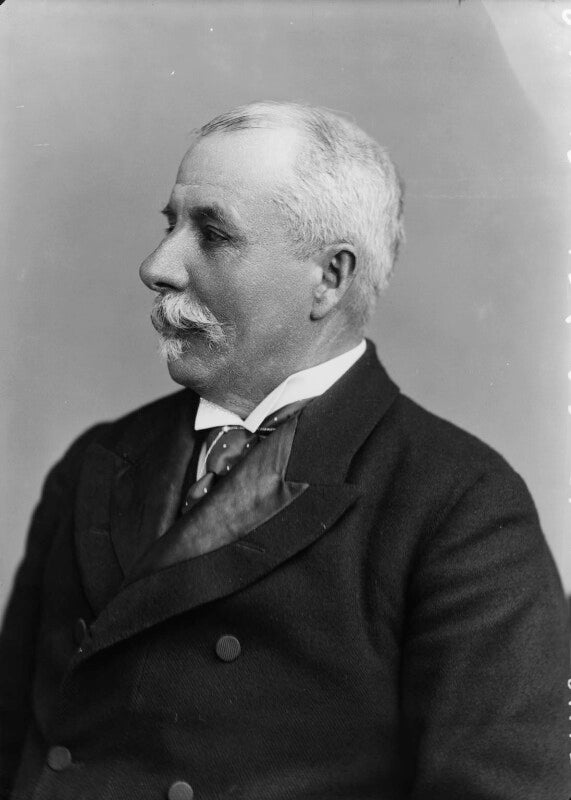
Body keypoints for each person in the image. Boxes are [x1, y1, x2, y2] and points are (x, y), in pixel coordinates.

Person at [0, 101, 568, 800]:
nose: (156, 266)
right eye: (170, 225)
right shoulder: (99, 460)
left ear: (329, 278)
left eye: (213, 234)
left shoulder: (461, 507)